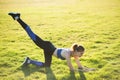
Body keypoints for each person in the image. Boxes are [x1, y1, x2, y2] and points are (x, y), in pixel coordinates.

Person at [8, 12, 85, 71]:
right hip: (48, 46)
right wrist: (82, 71)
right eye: (81, 53)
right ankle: (17, 17)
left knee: (47, 66)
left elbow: (79, 66)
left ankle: (29, 61)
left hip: (49, 50)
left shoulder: (74, 54)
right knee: (31, 34)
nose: (82, 54)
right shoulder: (68, 54)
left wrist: (87, 69)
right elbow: (71, 69)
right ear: (76, 51)